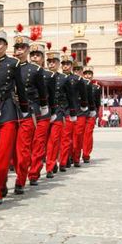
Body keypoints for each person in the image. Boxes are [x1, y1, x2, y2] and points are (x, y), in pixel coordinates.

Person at [0, 23, 28, 205]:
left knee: (3, 153)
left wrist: (24, 109)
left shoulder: (14, 64)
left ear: (6, 45)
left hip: (8, 109)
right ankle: (0, 184)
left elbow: (20, 88)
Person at [12, 25, 48, 192]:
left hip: (29, 111)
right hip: (10, 110)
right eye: (16, 48)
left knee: (24, 147)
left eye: (21, 48)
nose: (19, 51)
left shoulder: (35, 70)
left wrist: (43, 109)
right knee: (11, 149)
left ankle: (21, 179)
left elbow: (42, 94)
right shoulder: (9, 65)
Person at [44, 46, 76, 177]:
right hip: (44, 111)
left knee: (54, 140)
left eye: (54, 62)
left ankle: (50, 166)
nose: (51, 64)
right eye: (49, 62)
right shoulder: (42, 75)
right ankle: (49, 161)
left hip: (58, 111)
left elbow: (70, 97)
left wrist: (71, 113)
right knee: (44, 141)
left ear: (58, 64)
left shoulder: (64, 79)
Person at [26, 37, 55, 184]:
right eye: (32, 55)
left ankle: (34, 173)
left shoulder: (49, 76)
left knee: (38, 144)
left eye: (37, 55)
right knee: (26, 144)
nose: (34, 58)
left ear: (43, 58)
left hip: (43, 113)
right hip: (26, 111)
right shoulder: (24, 71)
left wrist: (53, 112)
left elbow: (52, 96)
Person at [82, 58, 100, 163]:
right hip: (81, 113)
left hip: (91, 113)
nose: (88, 76)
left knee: (88, 135)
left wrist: (96, 114)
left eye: (89, 74)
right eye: (86, 74)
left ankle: (86, 154)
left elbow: (98, 103)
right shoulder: (79, 85)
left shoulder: (96, 88)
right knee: (79, 134)